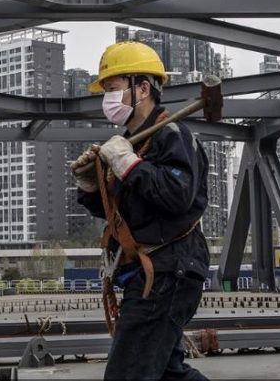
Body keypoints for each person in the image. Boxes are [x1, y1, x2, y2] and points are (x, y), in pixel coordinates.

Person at [71, 41, 210, 381]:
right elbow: (123, 214)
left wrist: (129, 165)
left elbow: (178, 195)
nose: (108, 99)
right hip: (155, 273)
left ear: (143, 87)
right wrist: (92, 187)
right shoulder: (132, 144)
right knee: (167, 375)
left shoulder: (171, 135)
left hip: (167, 272)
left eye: (114, 89)